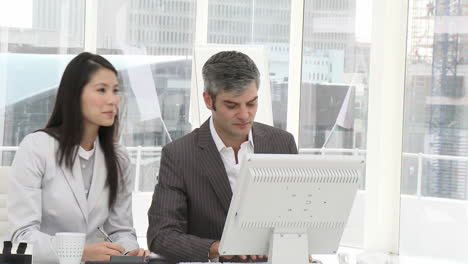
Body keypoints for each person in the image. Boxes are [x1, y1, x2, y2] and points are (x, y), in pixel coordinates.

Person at [147, 51, 298, 263]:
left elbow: (295, 216)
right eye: (232, 105)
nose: (245, 115)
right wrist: (218, 248)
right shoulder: (179, 155)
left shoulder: (282, 144)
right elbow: (161, 236)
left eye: (252, 103)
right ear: (208, 100)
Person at [8, 52, 149, 263]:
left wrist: (129, 253)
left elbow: (120, 230)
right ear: (74, 95)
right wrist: (79, 251)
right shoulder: (37, 147)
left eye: (115, 90)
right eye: (101, 90)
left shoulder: (118, 157)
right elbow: (21, 239)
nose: (113, 100)